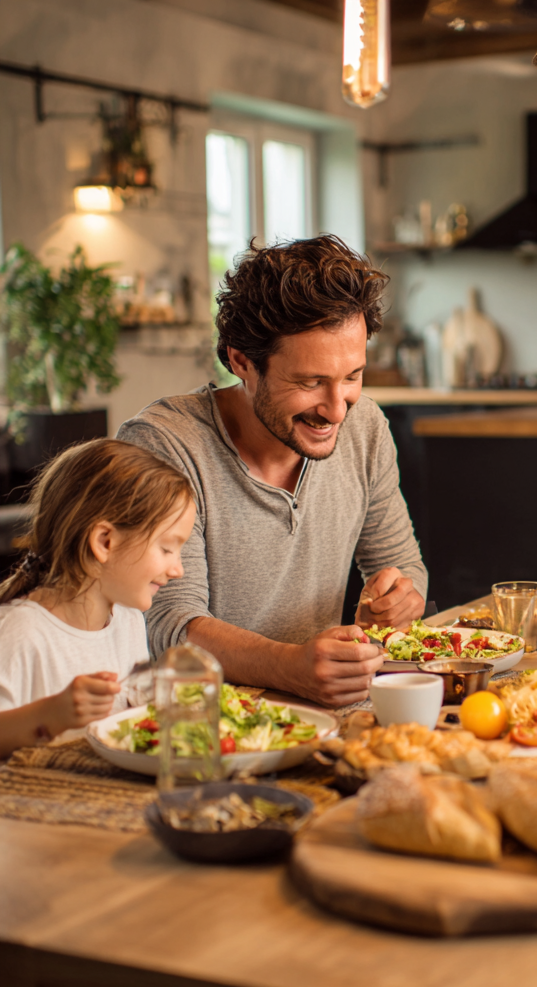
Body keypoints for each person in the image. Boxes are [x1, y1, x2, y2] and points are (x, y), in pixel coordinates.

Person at [118, 235, 427, 706]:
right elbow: (169, 627)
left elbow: (404, 567)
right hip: (194, 725)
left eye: (352, 377)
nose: (337, 411)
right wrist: (289, 667)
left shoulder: (366, 427)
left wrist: (399, 600)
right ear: (242, 361)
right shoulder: (166, 444)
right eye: (309, 382)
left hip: (323, 712)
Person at [0, 439, 195, 757]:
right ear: (104, 541)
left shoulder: (128, 619)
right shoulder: (18, 632)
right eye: (166, 549)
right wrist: (52, 715)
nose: (178, 570)